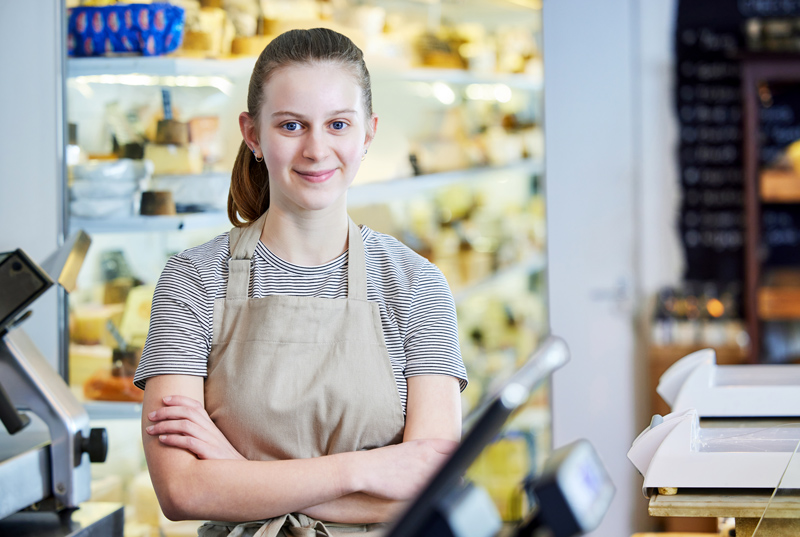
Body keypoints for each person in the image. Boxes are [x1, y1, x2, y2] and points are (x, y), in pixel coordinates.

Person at [134, 27, 468, 536]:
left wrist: (239, 478)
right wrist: (364, 469)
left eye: (338, 124)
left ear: (368, 133)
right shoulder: (192, 281)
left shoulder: (415, 284)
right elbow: (181, 491)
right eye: (292, 126)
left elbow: (433, 490)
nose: (316, 149)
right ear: (252, 134)